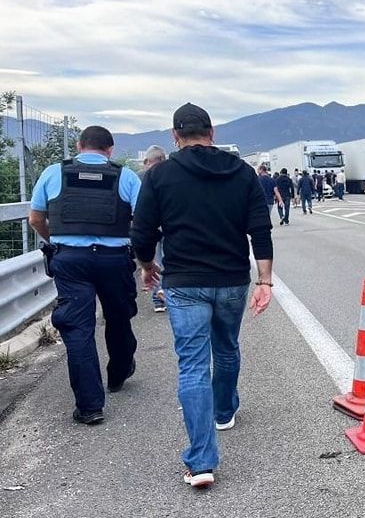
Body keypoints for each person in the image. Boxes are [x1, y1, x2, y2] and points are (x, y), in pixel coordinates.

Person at [131, 103, 274, 489]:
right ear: (211, 132)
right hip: (231, 280)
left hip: (184, 282)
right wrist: (265, 281)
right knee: (226, 347)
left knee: (192, 365)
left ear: (174, 136)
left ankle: (201, 462)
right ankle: (224, 410)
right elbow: (260, 230)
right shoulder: (242, 173)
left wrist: (147, 266)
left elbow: (142, 232)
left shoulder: (160, 175)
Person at [28, 126, 140, 425]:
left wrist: (53, 239)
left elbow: (35, 218)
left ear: (78, 146)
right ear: (110, 150)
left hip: (71, 260)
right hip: (114, 261)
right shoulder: (126, 176)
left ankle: (90, 406)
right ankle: (118, 374)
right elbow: (142, 221)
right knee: (119, 317)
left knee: (78, 329)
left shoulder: (54, 173)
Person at [139, 145, 168, 312]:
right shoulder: (172, 174)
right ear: (163, 158)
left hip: (149, 226)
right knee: (168, 259)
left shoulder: (139, 176)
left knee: (153, 261)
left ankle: (158, 299)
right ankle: (167, 291)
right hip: (169, 225)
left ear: (146, 161)